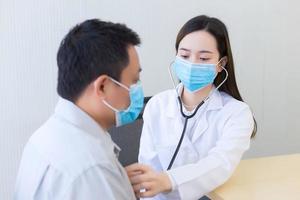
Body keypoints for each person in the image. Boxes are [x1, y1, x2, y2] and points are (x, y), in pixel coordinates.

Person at [126, 15, 257, 200]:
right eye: (185, 55)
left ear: (221, 64)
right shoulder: (157, 105)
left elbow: (221, 163)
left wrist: (169, 180)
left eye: (204, 58)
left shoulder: (237, 113)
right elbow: (148, 172)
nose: (192, 63)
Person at [15, 19, 143, 200]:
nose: (136, 91)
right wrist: (107, 184)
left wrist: (118, 184)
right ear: (102, 87)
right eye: (134, 81)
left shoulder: (44, 137)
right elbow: (89, 177)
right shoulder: (92, 170)